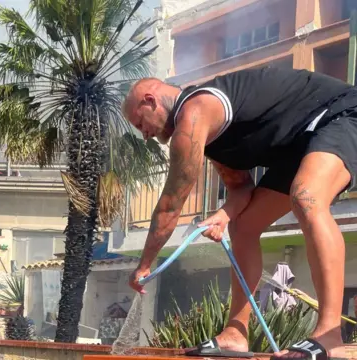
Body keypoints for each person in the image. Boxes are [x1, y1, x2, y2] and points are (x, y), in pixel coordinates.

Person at [122, 66, 357, 360]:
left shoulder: (194, 114)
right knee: (243, 224)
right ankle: (235, 334)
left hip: (343, 114)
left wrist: (144, 265)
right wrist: (224, 214)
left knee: (306, 195)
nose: (144, 135)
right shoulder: (213, 138)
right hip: (301, 144)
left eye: (139, 123)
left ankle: (329, 336)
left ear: (150, 100)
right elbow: (241, 190)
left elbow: (170, 204)